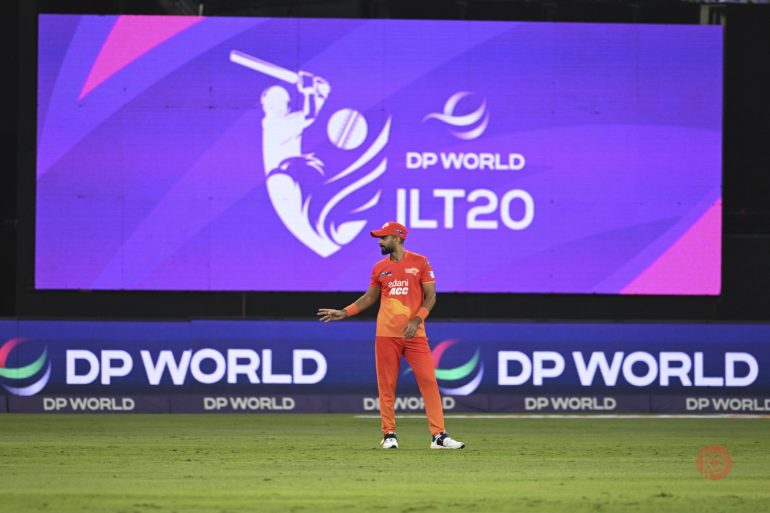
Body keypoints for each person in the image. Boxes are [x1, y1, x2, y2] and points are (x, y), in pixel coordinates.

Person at [318, 222, 465, 450]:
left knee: (429, 382)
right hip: (386, 335)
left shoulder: (420, 262)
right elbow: (368, 298)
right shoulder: (379, 268)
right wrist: (344, 312)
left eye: (383, 238)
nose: (379, 241)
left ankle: (439, 436)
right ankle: (389, 435)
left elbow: (431, 297)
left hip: (415, 334)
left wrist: (417, 319)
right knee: (386, 386)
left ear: (397, 238)